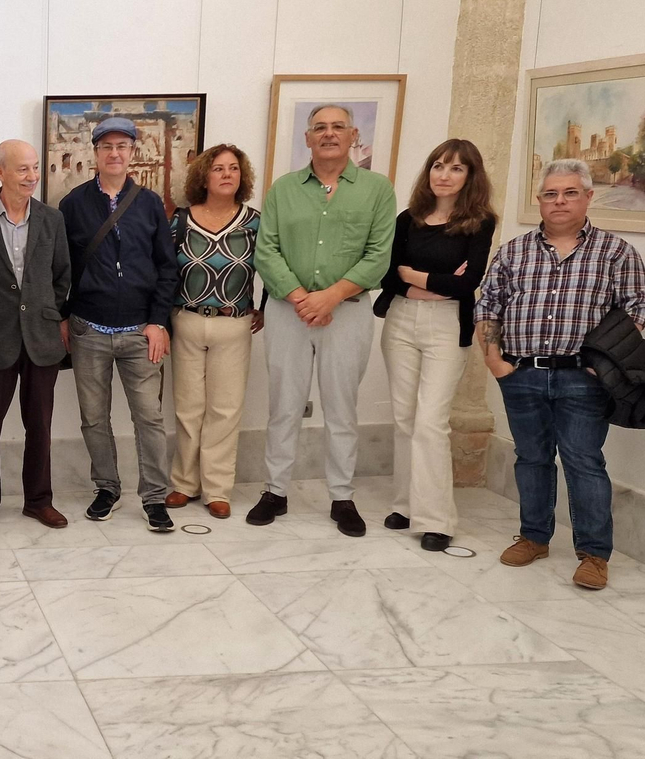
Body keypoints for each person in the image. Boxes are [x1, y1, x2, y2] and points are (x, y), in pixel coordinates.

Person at [477, 159, 645, 591]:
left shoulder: (615, 252)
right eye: (550, 194)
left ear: (588, 197)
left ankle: (593, 554)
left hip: (583, 379)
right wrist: (494, 359)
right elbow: (488, 304)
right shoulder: (514, 251)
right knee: (531, 458)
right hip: (521, 374)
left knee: (584, 462)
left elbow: (636, 309)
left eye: (570, 192)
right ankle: (534, 537)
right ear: (539, 200)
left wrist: (604, 363)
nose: (559, 201)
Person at [250, 104, 395, 537]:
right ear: (307, 139)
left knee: (342, 408)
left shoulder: (377, 190)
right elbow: (267, 249)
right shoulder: (283, 189)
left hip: (346, 314)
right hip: (287, 312)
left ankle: (342, 496)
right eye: (319, 128)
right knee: (284, 405)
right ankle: (275, 491)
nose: (328, 134)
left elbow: (378, 255)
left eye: (337, 127)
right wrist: (301, 298)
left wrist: (330, 296)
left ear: (353, 136)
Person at [374, 139, 497, 552]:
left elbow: (467, 284)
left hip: (447, 327)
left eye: (456, 168)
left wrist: (415, 275)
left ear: (470, 177)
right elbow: (387, 275)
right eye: (439, 166)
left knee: (431, 422)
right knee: (405, 418)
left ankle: (437, 519)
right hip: (401, 322)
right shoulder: (407, 218)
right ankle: (406, 505)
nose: (444, 175)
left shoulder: (480, 222)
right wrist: (427, 280)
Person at [57, 116, 180, 532]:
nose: (114, 153)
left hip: (139, 332)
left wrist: (158, 322)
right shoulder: (73, 205)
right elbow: (62, 270)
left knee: (149, 418)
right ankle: (106, 487)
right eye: (106, 146)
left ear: (132, 153)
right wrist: (62, 317)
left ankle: (154, 497)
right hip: (89, 329)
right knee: (94, 417)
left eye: (122, 146)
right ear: (95, 153)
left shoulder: (149, 204)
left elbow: (167, 267)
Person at [0, 139, 71, 530]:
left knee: (40, 426)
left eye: (34, 168)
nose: (31, 176)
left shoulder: (52, 219)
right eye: (22, 169)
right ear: (0, 172)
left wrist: (50, 313)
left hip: (41, 340)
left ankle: (39, 500)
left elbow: (62, 275)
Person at [166, 144, 264, 521]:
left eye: (234, 169)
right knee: (188, 408)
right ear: (203, 176)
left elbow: (272, 263)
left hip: (234, 323)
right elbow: (165, 270)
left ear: (242, 177)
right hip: (187, 320)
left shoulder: (255, 222)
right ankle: (184, 483)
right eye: (218, 168)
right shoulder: (181, 220)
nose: (226, 174)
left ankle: (217, 489)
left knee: (225, 409)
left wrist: (266, 306)